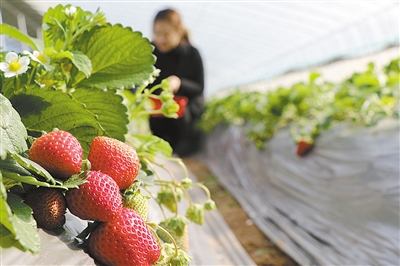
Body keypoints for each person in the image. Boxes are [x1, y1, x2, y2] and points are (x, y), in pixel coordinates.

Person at [149, 8, 205, 157]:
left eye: (166, 34)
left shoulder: (191, 54)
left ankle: (181, 150)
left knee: (180, 149)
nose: (161, 39)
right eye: (157, 33)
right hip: (157, 112)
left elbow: (199, 87)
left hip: (185, 116)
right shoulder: (149, 53)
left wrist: (180, 83)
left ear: (179, 32)